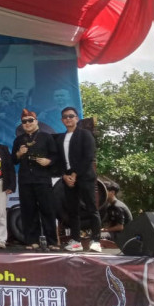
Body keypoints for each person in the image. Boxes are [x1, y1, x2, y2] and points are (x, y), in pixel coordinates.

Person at [56, 107, 102, 253]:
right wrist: (64, 176)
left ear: (76, 118)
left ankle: (96, 241)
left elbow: (88, 156)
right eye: (65, 117)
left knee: (91, 208)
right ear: (62, 120)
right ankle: (76, 241)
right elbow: (59, 160)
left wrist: (75, 174)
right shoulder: (60, 138)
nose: (68, 119)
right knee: (72, 211)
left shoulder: (85, 134)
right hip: (68, 179)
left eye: (71, 116)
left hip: (84, 177)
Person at [12, 109, 59, 250]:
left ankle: (52, 242)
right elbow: (13, 160)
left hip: (42, 179)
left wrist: (48, 161)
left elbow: (56, 156)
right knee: (28, 211)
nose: (27, 123)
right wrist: (19, 153)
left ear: (36, 121)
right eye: (24, 121)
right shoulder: (19, 139)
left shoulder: (46, 137)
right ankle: (32, 240)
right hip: (25, 179)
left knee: (47, 210)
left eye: (30, 120)